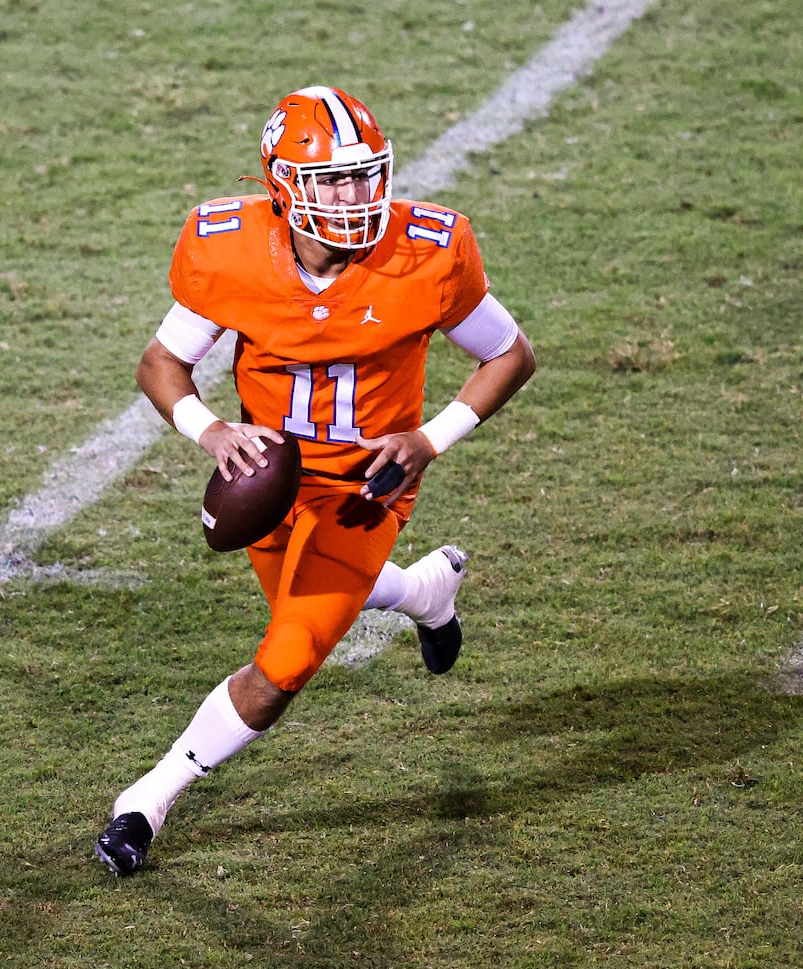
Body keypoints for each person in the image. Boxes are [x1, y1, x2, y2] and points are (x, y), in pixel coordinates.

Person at [95, 85, 536, 876]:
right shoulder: (229, 248)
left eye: (364, 175)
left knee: (286, 660)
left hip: (369, 483)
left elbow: (509, 355)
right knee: (312, 601)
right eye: (330, 180)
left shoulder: (426, 251)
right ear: (281, 183)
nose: (354, 195)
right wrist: (214, 429)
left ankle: (146, 801)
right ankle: (425, 591)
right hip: (272, 471)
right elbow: (161, 364)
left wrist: (429, 439)